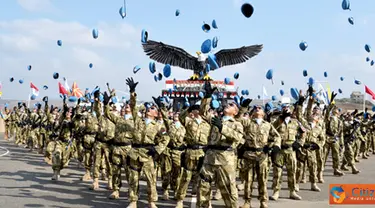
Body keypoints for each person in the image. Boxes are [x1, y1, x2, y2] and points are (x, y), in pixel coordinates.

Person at [197, 81, 244, 208]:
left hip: (225, 158)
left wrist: (222, 127)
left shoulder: (237, 124)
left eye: (231, 105)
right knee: (203, 188)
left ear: (235, 112)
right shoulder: (215, 119)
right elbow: (203, 112)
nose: (227, 105)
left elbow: (238, 137)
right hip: (210, 157)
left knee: (229, 190)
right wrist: (207, 97)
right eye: (227, 104)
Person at [125, 77, 170, 208]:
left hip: (148, 154)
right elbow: (133, 106)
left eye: (151, 108)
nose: (148, 109)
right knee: (133, 178)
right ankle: (133, 201)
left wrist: (157, 149)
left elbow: (166, 138)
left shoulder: (158, 126)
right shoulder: (138, 120)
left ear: (155, 114)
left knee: (151, 179)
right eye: (148, 108)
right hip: (134, 153)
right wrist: (132, 92)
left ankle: (151, 201)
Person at [238, 103, 281, 208]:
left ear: (263, 113)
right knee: (248, 180)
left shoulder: (267, 125)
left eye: (260, 108)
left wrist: (275, 146)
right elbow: (237, 119)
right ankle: (247, 202)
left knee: (262, 179)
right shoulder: (247, 123)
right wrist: (243, 108)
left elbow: (277, 136)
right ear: (252, 113)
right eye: (255, 108)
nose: (257, 109)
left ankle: (263, 201)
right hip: (249, 155)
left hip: (262, 156)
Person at [270, 104, 302, 201]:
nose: (286, 110)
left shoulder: (296, 123)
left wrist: (299, 143)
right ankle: (276, 192)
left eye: (288, 109)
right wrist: (281, 118)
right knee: (277, 172)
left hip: (291, 150)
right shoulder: (278, 121)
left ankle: (292, 191)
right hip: (279, 150)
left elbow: (304, 132)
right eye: (284, 109)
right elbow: (271, 129)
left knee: (292, 171)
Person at [104, 99, 134, 199]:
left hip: (128, 148)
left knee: (129, 171)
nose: (127, 106)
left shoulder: (135, 121)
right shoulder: (119, 119)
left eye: (129, 105)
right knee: (115, 170)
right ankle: (116, 190)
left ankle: (131, 190)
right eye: (126, 105)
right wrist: (106, 103)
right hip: (117, 148)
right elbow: (107, 113)